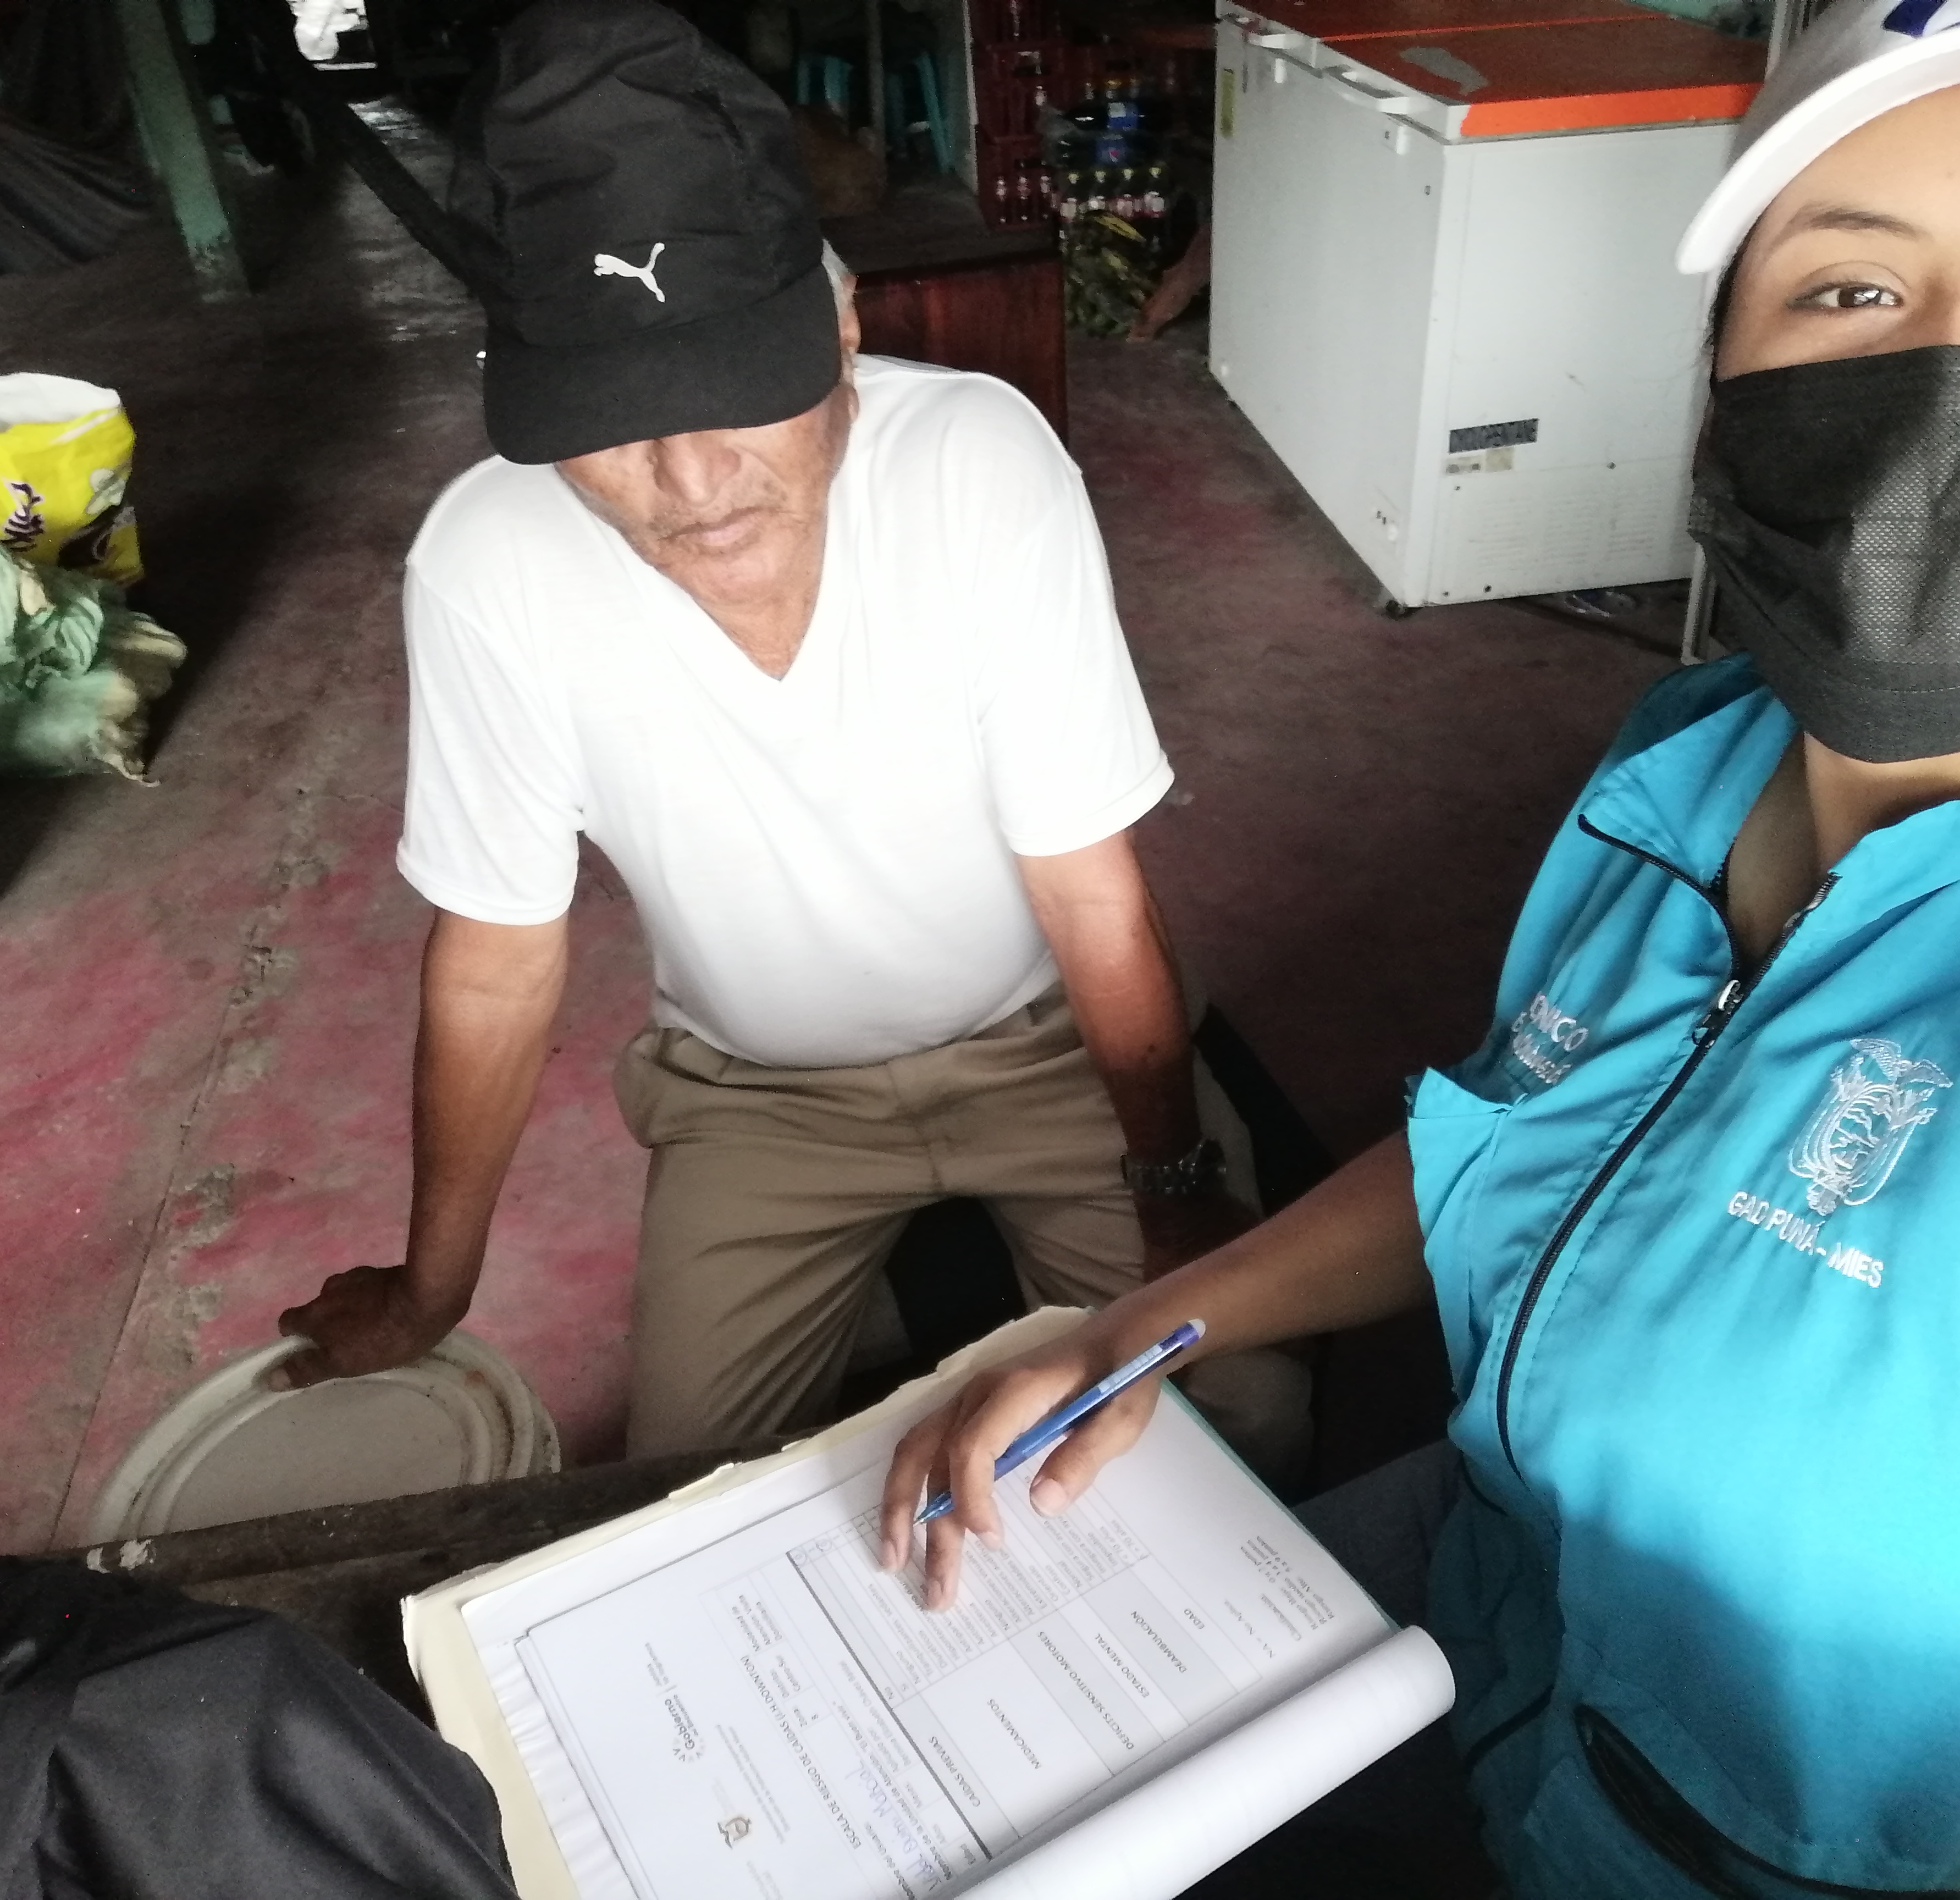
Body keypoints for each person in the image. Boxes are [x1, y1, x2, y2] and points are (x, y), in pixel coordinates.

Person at [879, 3, 1960, 1893]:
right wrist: (1144, 1321)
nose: (1955, 380)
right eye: (1852, 288)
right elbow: (1528, 1139)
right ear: (1722, 390)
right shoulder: (1682, 764)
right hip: (1488, 1618)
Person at [270, 0, 1298, 1463]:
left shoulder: (976, 465)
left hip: (1042, 1051)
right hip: (759, 1101)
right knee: (679, 1499)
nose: (693, 483)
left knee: (1242, 1423)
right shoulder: (486, 562)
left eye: (738, 393)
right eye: (614, 416)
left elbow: (1089, 887)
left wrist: (1176, 1180)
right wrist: (434, 1289)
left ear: (843, 326)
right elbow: (497, 955)